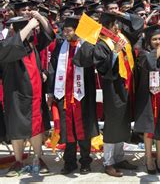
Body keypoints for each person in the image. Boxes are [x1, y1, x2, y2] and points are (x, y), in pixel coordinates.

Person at [0, 13, 54, 177]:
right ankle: (18, 161)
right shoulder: (7, 45)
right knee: (16, 129)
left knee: (36, 129)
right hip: (16, 96)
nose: (33, 32)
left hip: (34, 95)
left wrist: (38, 16)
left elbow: (49, 34)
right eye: (30, 29)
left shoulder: (33, 45)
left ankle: (37, 158)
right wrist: (28, 26)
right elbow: (9, 47)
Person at [92, 10, 144, 177]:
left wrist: (121, 14)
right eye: (115, 23)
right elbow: (102, 67)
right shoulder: (102, 43)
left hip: (127, 87)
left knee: (123, 123)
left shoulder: (122, 36)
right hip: (114, 89)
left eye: (118, 23)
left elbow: (138, 23)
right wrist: (114, 51)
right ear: (107, 26)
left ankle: (119, 157)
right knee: (113, 125)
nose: (118, 26)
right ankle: (108, 162)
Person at [49, 16, 98, 175]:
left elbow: (85, 61)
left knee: (83, 129)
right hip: (64, 96)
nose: (65, 33)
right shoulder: (60, 47)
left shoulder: (87, 46)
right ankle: (69, 162)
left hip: (82, 95)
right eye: (64, 30)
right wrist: (50, 91)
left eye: (69, 30)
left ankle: (85, 161)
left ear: (77, 31)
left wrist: (84, 39)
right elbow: (52, 68)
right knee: (67, 129)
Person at [134, 24, 160, 174]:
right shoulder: (144, 53)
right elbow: (150, 62)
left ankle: (159, 158)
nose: (158, 41)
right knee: (148, 129)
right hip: (148, 98)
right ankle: (148, 158)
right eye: (155, 39)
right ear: (148, 41)